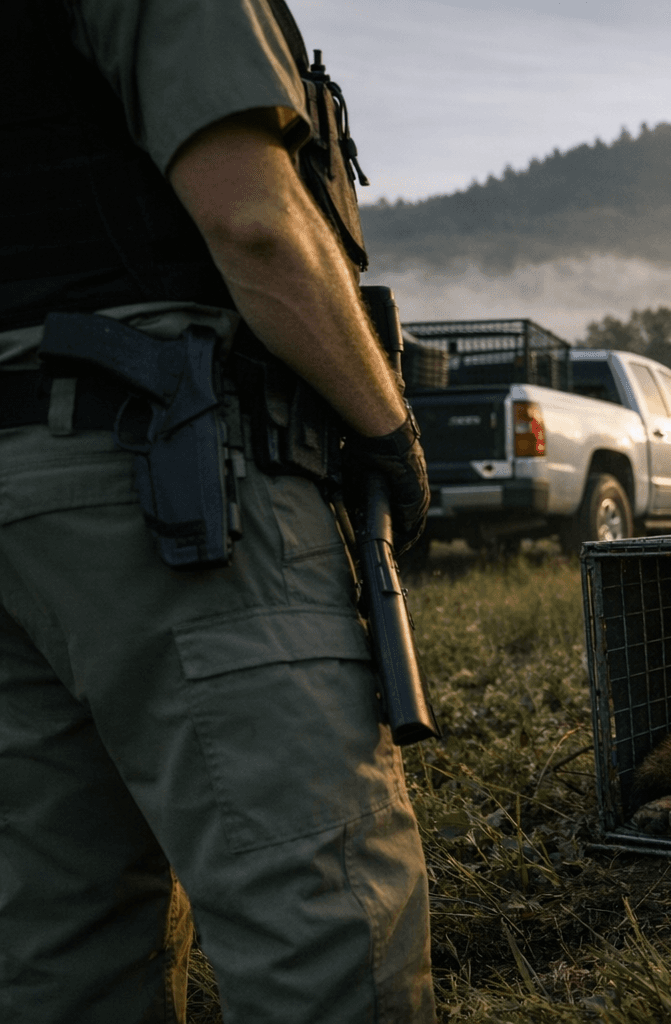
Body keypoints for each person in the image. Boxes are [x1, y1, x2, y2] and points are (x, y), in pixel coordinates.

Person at [0, 2, 435, 1021]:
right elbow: (255, 221)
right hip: (169, 479)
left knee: (58, 937)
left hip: (23, 510)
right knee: (319, 915)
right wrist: (386, 428)